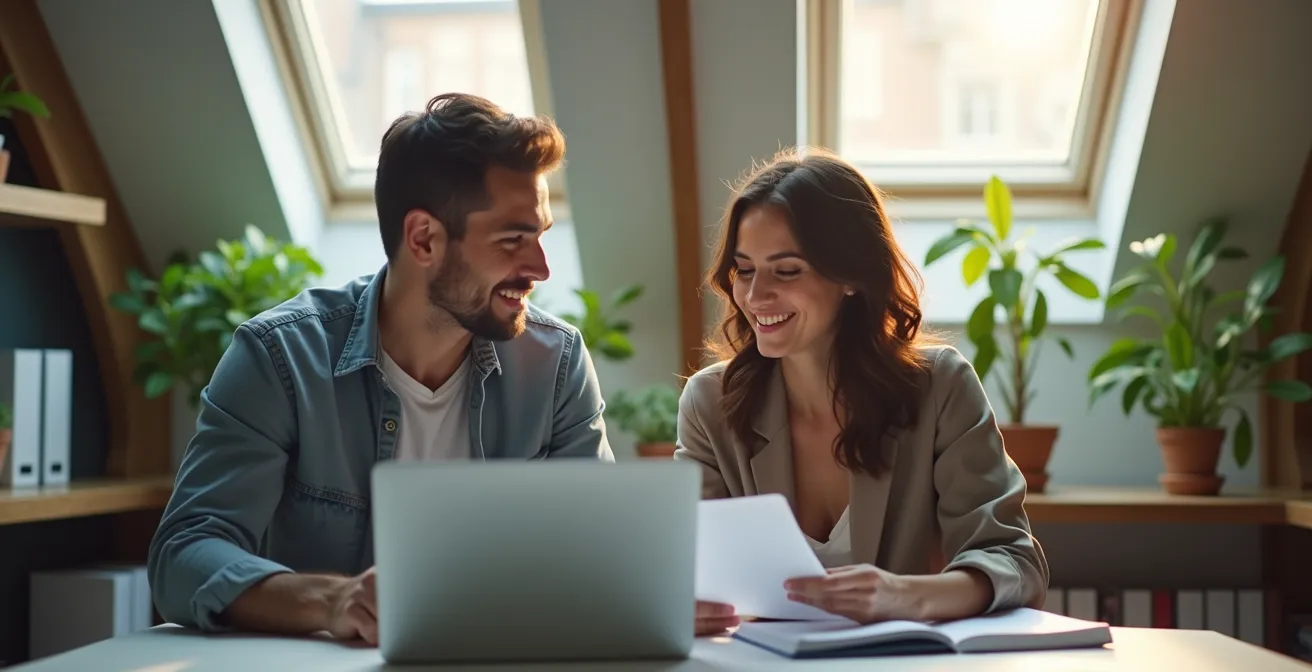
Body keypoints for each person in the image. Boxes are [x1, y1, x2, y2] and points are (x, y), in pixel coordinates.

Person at [148, 93, 614, 645]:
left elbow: (603, 550)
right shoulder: (280, 359)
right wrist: (332, 600)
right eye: (514, 239)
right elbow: (184, 554)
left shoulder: (556, 363)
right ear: (424, 239)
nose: (541, 267)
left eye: (541, 234)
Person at [678, 148, 1048, 636]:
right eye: (744, 269)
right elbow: (683, 565)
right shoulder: (711, 404)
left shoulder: (940, 387)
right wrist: (681, 599)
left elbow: (1014, 560)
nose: (754, 295)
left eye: (786, 271)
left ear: (851, 275)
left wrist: (903, 595)